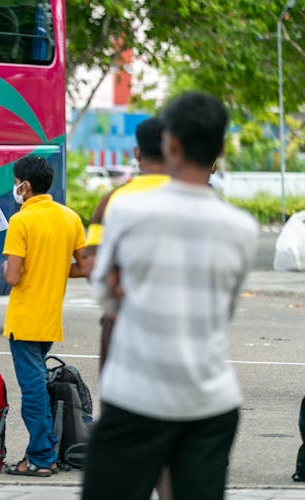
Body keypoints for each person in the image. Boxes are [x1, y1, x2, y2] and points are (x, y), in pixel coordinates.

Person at [83, 92, 259, 500]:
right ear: (220, 149)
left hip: (134, 397)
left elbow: (106, 297)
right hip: (212, 404)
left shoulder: (127, 210)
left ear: (171, 144)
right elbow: (224, 308)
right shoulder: (241, 227)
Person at [2, 155, 86, 477]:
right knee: (36, 387)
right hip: (50, 319)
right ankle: (42, 451)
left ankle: (40, 457)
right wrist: (55, 267)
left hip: (24, 321)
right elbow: (85, 266)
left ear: (25, 185)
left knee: (33, 391)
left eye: (15, 182)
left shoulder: (21, 221)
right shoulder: (69, 218)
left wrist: (7, 267)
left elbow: (11, 277)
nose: (15, 188)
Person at [83, 116, 170, 370]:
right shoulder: (195, 198)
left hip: (124, 323)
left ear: (137, 153)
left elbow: (92, 268)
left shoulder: (112, 200)